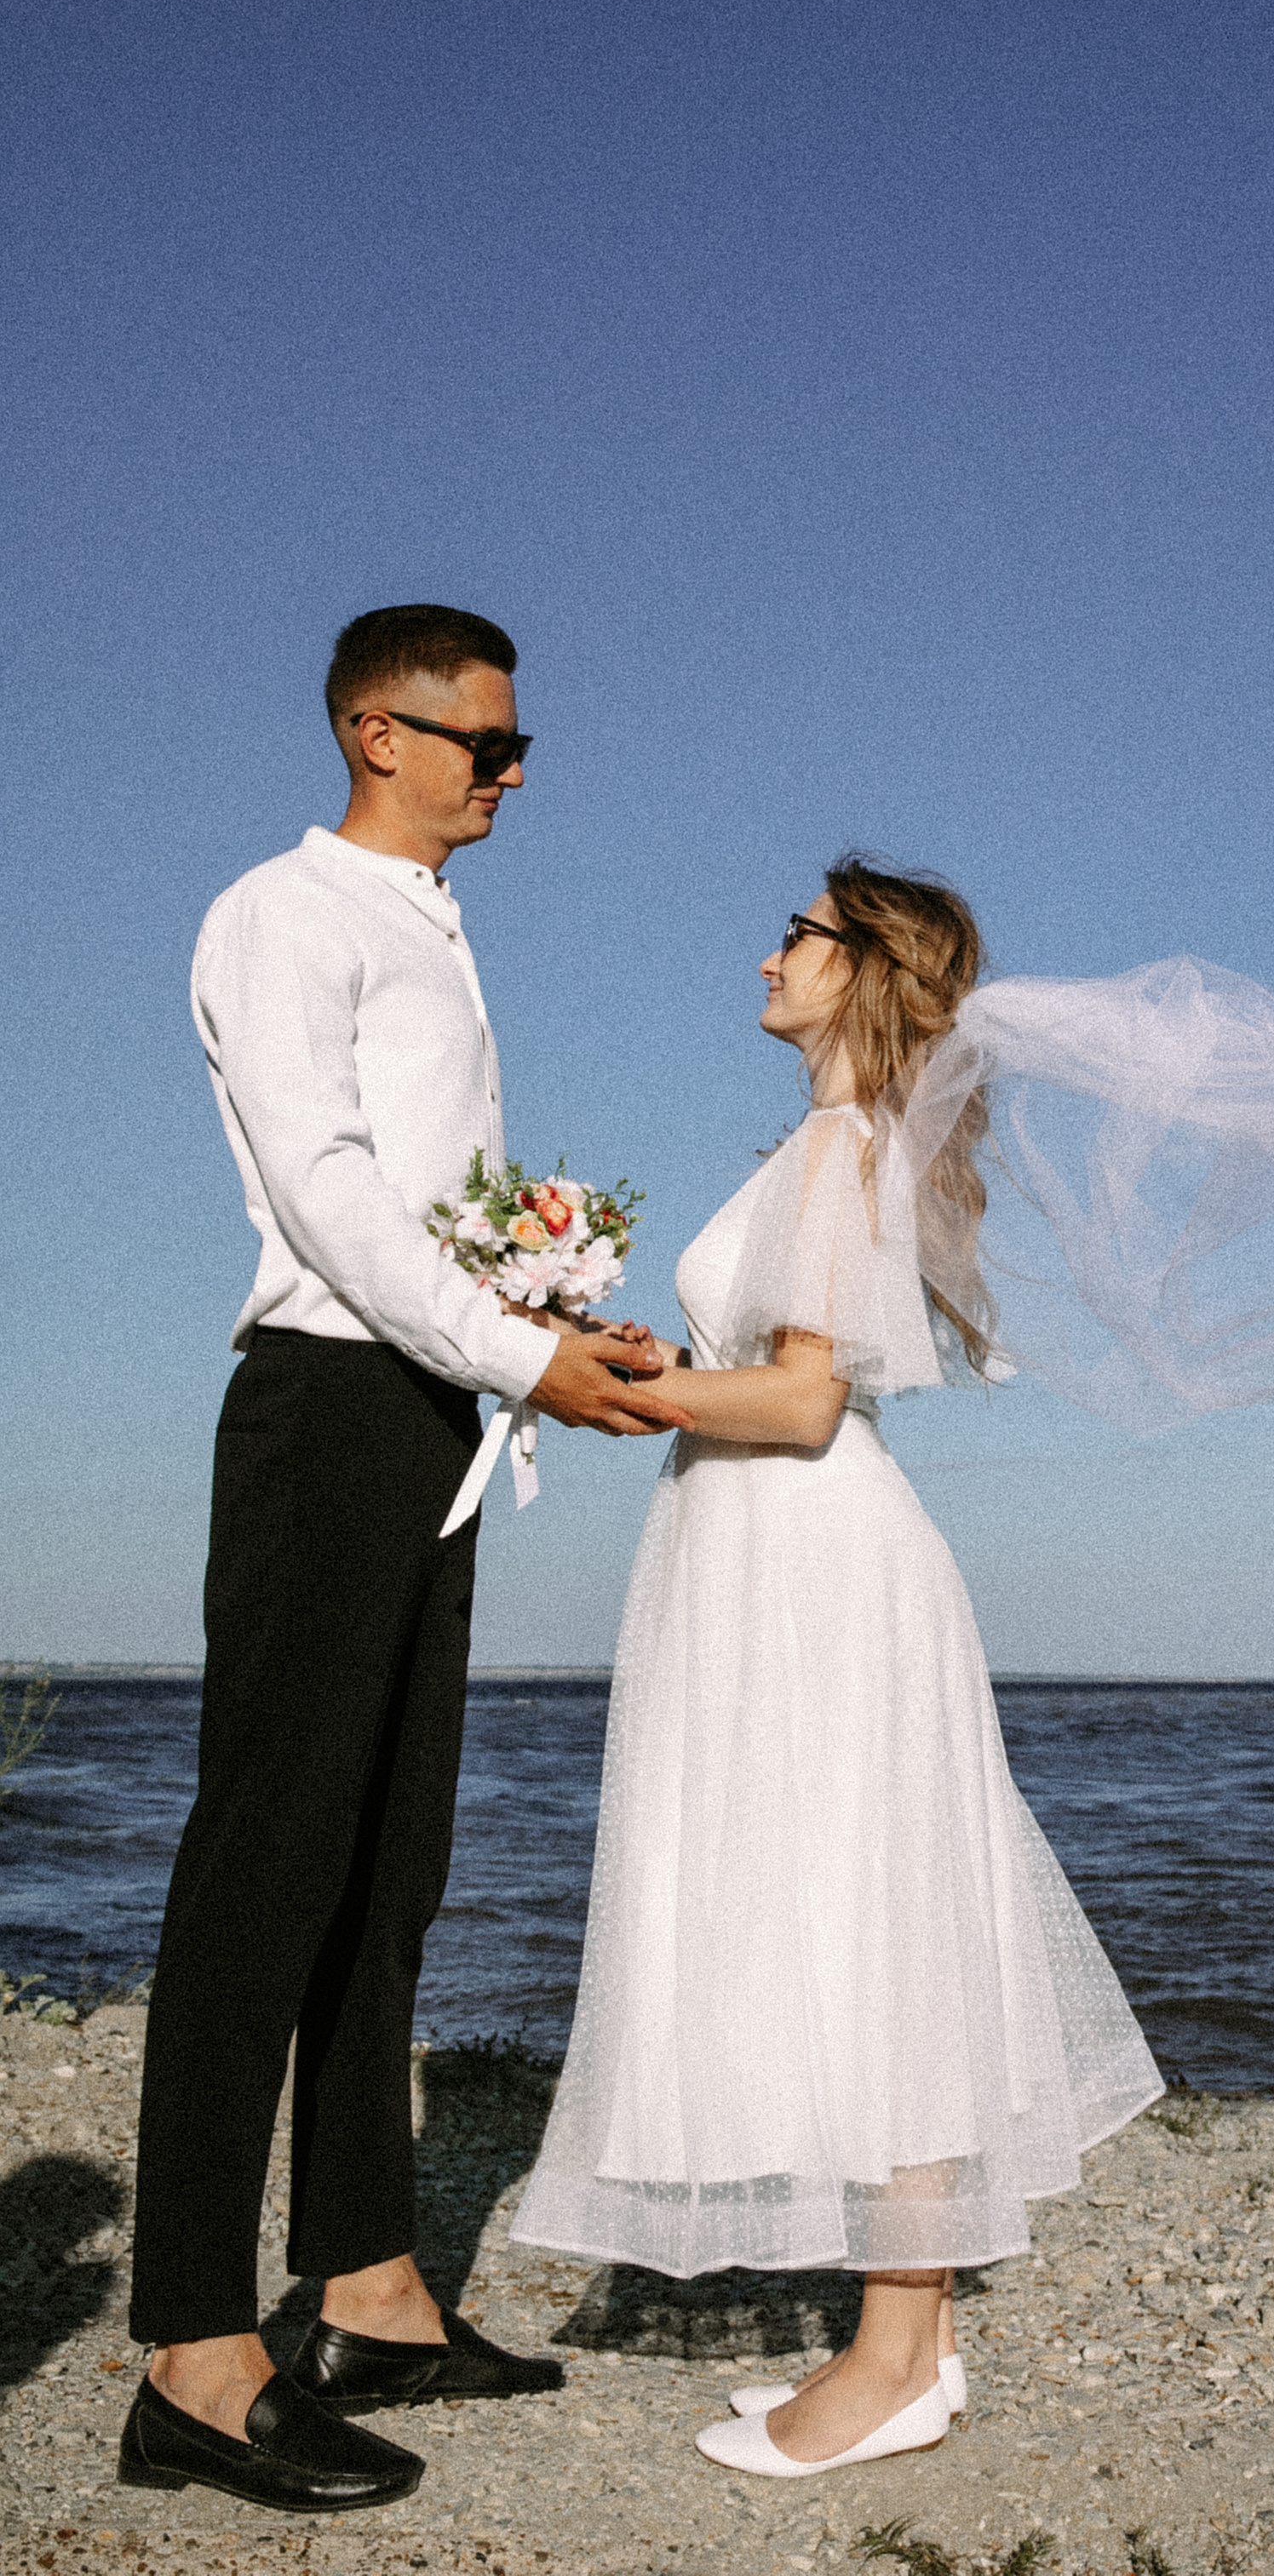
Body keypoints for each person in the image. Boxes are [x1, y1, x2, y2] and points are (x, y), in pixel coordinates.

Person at [123, 605, 692, 2518]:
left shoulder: (431, 922)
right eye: (485, 743)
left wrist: (542, 1337)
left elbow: (433, 1211)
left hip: (426, 1421)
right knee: (262, 1870)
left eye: (516, 747)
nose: (510, 774)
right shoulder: (280, 916)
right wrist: (530, 1349)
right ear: (381, 730)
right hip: (326, 1413)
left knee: (387, 1867)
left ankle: (367, 2284)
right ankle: (194, 2354)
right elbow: (329, 1190)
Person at [511, 862, 1163, 2480]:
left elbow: (803, 1409)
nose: (768, 952)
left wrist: (600, 1387)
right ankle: (918, 2349)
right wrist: (676, 1377)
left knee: (878, 1936)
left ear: (864, 967)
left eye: (797, 932)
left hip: (811, 1562)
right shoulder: (841, 1147)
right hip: (771, 1558)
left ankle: (886, 2358)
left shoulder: (845, 1143)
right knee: (848, 1919)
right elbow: (790, 1380)